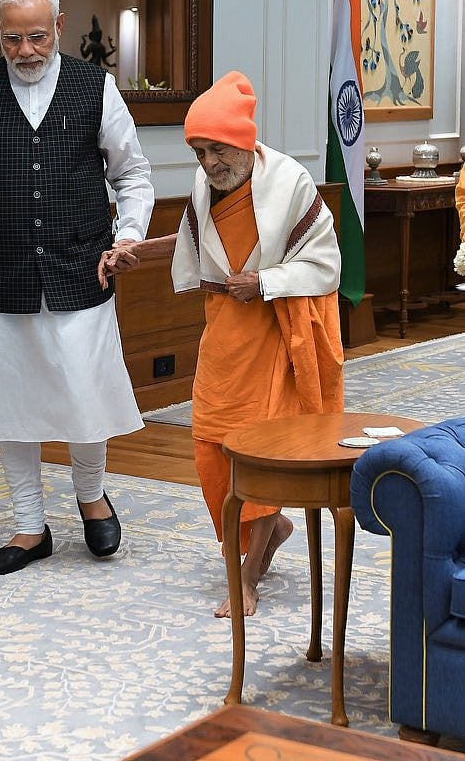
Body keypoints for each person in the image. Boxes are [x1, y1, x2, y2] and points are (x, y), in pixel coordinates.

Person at [0, 0, 154, 576]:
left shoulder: (94, 85)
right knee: (10, 400)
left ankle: (91, 493)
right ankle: (30, 526)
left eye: (37, 36)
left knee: (84, 389)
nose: (25, 50)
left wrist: (128, 235)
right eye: (13, 39)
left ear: (60, 25)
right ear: (0, 35)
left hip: (82, 266)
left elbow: (133, 175)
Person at [99, 71, 344, 616]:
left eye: (217, 149)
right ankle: (270, 529)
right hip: (225, 335)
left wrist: (265, 282)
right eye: (200, 150)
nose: (209, 162)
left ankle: (248, 576)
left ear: (244, 142)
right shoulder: (207, 183)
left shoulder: (291, 183)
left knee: (256, 451)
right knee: (211, 446)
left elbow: (326, 264)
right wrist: (135, 252)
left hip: (280, 333)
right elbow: (193, 239)